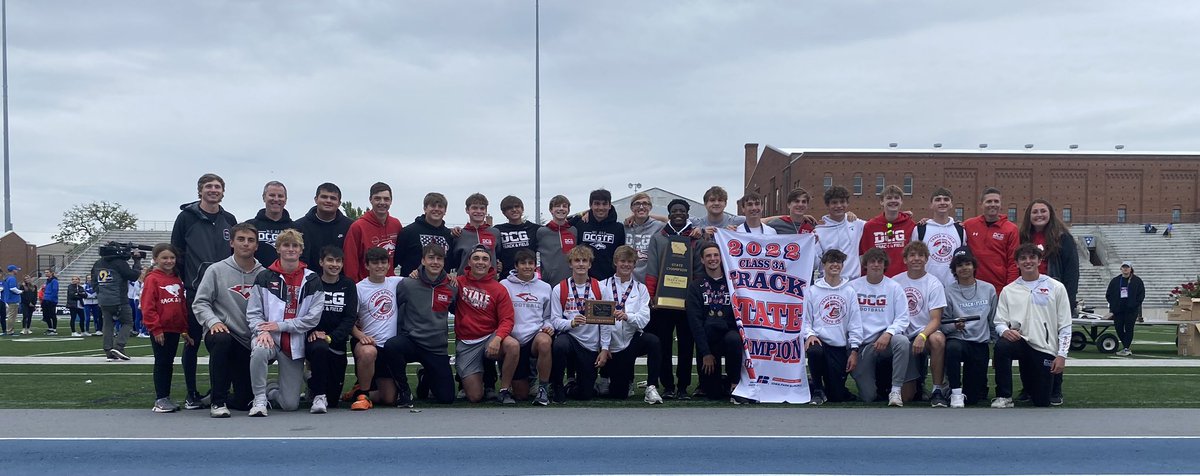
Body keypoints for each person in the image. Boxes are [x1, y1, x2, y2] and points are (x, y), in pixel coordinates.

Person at [172, 173, 238, 410]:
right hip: (195, 291)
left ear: (223, 191)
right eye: (208, 186)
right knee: (192, 342)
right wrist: (190, 279)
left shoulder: (229, 219)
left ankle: (218, 389)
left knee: (224, 341)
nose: (213, 190)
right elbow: (176, 253)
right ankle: (191, 393)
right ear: (199, 190)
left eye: (217, 186)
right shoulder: (186, 218)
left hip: (225, 293)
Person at [244, 229, 323, 416]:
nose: (290, 249)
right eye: (286, 245)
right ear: (278, 248)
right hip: (269, 337)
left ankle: (271, 390)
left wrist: (281, 326)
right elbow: (253, 312)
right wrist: (260, 331)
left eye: (295, 245)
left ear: (301, 250)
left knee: (290, 405)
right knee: (259, 349)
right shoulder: (264, 276)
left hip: (294, 342)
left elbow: (313, 318)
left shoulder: (312, 279)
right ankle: (259, 399)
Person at [193, 222, 263, 417]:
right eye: (241, 239)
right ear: (232, 242)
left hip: (247, 339)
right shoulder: (216, 270)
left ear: (257, 245)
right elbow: (200, 303)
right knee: (222, 339)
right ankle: (218, 401)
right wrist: (213, 321)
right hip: (222, 332)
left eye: (251, 240)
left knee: (244, 403)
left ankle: (235, 396)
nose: (246, 244)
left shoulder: (264, 274)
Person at [991, 243, 1072, 408]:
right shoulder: (1009, 290)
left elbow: (1065, 325)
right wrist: (1005, 331)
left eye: (1032, 257)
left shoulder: (1056, 287)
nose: (1028, 261)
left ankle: (1051, 386)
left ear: (1040, 260)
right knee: (1001, 347)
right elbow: (999, 321)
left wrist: (1062, 355)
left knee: (1041, 402)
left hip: (1044, 347)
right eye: (1023, 258)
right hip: (1020, 342)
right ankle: (1004, 396)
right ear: (1017, 263)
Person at [1019, 198, 1079, 405]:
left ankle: (1055, 388)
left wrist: (1068, 301)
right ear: (1029, 215)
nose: (1039, 215)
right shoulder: (1023, 237)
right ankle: (1028, 387)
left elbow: (1071, 273)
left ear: (1050, 214)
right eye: (1034, 212)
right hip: (1028, 297)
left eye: (1043, 211)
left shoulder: (1063, 239)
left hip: (1052, 297)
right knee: (1028, 344)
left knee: (1052, 345)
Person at [383, 244, 458, 406]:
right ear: (423, 260)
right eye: (431, 258)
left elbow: (457, 310)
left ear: (444, 262)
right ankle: (404, 390)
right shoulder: (408, 284)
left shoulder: (451, 288)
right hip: (412, 341)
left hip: (436, 347)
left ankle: (425, 376)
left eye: (439, 259)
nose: (435, 262)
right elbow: (394, 308)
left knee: (447, 398)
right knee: (391, 346)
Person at [644, 199, 702, 400]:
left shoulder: (696, 237)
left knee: (687, 345)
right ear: (669, 214)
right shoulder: (659, 238)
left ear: (687, 214)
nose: (678, 213)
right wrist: (651, 296)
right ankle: (667, 386)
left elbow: (698, 272)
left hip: (688, 303)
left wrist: (694, 299)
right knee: (663, 344)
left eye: (682, 211)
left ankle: (683, 386)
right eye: (674, 210)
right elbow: (651, 270)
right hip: (663, 302)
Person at [453, 246, 519, 404]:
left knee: (513, 345)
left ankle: (504, 390)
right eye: (476, 258)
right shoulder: (458, 282)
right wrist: (416, 272)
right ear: (469, 261)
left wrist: (498, 338)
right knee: (475, 397)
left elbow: (507, 319)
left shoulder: (499, 289)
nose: (480, 262)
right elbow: (434, 277)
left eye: (484, 259)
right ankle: (483, 378)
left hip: (490, 337)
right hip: (468, 342)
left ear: (491, 264)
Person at [598, 245, 663, 403]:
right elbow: (596, 320)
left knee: (653, 341)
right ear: (615, 262)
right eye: (622, 261)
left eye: (630, 262)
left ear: (635, 264)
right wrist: (604, 346)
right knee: (618, 395)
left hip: (631, 340)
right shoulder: (602, 285)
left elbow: (643, 319)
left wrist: (628, 316)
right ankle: (608, 378)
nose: (626, 265)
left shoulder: (641, 289)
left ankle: (651, 387)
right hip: (611, 344)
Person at [849, 248, 911, 406]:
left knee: (902, 341)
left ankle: (895, 391)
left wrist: (888, 333)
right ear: (865, 264)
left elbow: (903, 318)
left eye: (879, 262)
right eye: (872, 261)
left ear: (885, 265)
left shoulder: (894, 287)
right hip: (863, 346)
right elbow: (847, 319)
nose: (876, 265)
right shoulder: (853, 287)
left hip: (886, 342)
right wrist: (854, 348)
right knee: (868, 397)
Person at [802, 249, 863, 405]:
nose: (835, 265)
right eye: (831, 262)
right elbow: (805, 320)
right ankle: (816, 389)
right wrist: (809, 335)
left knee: (836, 397)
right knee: (814, 349)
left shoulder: (849, 291)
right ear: (824, 265)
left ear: (842, 266)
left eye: (838, 262)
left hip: (839, 346)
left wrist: (854, 349)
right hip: (820, 342)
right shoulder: (812, 291)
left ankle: (816, 386)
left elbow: (855, 322)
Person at [891, 241, 948, 406]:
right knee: (907, 397)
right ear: (905, 260)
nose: (917, 259)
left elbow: (936, 319)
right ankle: (915, 384)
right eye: (912, 255)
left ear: (926, 259)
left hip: (925, 335)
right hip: (903, 338)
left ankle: (937, 389)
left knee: (938, 339)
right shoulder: (896, 282)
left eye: (921, 255)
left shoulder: (934, 283)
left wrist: (922, 335)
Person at [940, 246, 997, 408]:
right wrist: (955, 327)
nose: (964, 268)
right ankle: (955, 393)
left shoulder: (988, 289)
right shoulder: (948, 291)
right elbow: (943, 325)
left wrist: (995, 345)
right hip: (958, 339)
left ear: (974, 266)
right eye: (959, 265)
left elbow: (993, 320)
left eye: (967, 264)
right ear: (954, 270)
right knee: (953, 348)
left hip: (979, 343)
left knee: (973, 398)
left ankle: (968, 391)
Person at [348, 247, 404, 411]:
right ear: (367, 265)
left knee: (388, 399)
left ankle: (357, 391)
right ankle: (363, 395)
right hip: (369, 344)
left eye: (383, 262)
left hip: (389, 348)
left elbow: (423, 278)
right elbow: (348, 320)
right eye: (375, 263)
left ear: (388, 265)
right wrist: (360, 335)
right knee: (368, 352)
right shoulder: (359, 288)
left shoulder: (396, 282)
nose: (379, 266)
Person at [687, 242, 743, 402]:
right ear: (703, 260)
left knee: (733, 339)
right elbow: (695, 322)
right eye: (709, 256)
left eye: (716, 255)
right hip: (708, 340)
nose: (713, 259)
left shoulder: (733, 284)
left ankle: (734, 382)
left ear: (721, 257)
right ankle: (718, 383)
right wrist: (705, 353)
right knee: (712, 393)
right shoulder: (695, 286)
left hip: (729, 336)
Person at [305, 246, 358, 412]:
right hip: (314, 339)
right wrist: (311, 331)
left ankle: (311, 381)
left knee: (334, 400)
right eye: (330, 260)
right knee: (320, 347)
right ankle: (318, 396)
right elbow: (303, 311)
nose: (334, 264)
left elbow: (349, 318)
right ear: (321, 262)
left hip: (337, 343)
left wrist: (332, 337)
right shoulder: (312, 283)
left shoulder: (348, 285)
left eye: (338, 261)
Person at [499, 248, 554, 405]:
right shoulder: (504, 284)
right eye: (523, 263)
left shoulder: (545, 287)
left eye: (531, 263)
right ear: (516, 266)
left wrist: (548, 326)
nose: (527, 266)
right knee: (521, 395)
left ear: (535, 266)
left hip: (534, 337)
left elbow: (548, 316)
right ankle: (504, 390)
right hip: (512, 337)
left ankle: (543, 389)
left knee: (545, 341)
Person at [548, 246, 603, 403]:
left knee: (585, 394)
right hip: (570, 338)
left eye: (584, 261)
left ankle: (571, 387)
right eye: (576, 261)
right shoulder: (560, 288)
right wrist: (571, 323)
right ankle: (557, 385)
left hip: (590, 344)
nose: (580, 264)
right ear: (570, 264)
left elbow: (606, 323)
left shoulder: (600, 287)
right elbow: (555, 320)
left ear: (590, 265)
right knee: (559, 345)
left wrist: (604, 348)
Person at [141, 243, 190, 413]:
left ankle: (165, 397)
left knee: (169, 363)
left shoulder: (177, 279)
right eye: (164, 258)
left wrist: (184, 328)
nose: (169, 261)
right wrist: (155, 328)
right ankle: (160, 398)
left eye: (172, 258)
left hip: (174, 329)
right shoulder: (152, 279)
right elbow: (148, 306)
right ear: (155, 259)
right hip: (161, 329)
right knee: (162, 362)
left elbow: (181, 305)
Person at [343, 182, 403, 282]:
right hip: (366, 287)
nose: (382, 202)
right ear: (370, 200)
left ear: (391, 201)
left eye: (386, 199)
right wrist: (353, 287)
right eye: (377, 198)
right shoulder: (358, 227)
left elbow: (401, 255)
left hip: (389, 286)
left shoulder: (396, 224)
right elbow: (350, 262)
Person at [963, 187, 1018, 294]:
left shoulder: (1011, 229)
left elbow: (1013, 263)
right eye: (989, 201)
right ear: (981, 204)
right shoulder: (969, 225)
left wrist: (1010, 289)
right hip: (973, 287)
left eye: (996, 201)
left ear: (1001, 204)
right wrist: (927, 222)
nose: (993, 204)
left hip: (999, 288)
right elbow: (949, 229)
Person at [92, 246, 143, 359]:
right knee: (128, 322)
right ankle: (119, 346)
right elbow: (133, 276)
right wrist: (137, 262)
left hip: (104, 299)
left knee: (108, 324)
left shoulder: (97, 263)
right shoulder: (119, 263)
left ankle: (108, 349)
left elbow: (93, 282)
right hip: (119, 298)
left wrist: (100, 294)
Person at [293, 183, 353, 269]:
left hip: (340, 280)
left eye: (333, 198)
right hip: (308, 280)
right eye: (324, 197)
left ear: (339, 203)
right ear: (316, 199)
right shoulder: (298, 226)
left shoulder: (350, 226)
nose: (328, 201)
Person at [859, 185, 915, 277]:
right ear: (882, 201)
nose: (893, 200)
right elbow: (864, 256)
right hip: (878, 280)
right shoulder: (870, 226)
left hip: (903, 279)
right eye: (889, 198)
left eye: (896, 198)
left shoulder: (910, 225)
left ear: (901, 201)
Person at [915, 187, 965, 287]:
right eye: (938, 200)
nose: (942, 202)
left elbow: (963, 258)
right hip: (926, 286)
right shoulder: (920, 229)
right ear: (931, 205)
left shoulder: (960, 230)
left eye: (946, 199)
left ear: (951, 204)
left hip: (954, 287)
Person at [572, 189, 626, 280]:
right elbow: (564, 224)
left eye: (604, 204)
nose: (601, 208)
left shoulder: (618, 228)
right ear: (590, 206)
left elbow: (620, 256)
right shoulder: (580, 225)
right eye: (597, 204)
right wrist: (581, 215)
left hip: (609, 281)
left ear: (610, 206)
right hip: (583, 280)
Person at [396, 192, 454, 277]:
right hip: (412, 285)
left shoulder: (449, 235)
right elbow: (398, 259)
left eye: (440, 206)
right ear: (425, 208)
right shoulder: (408, 232)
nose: (437, 209)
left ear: (445, 211)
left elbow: (451, 262)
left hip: (440, 286)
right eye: (433, 206)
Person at [816, 186, 866, 280]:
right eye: (834, 202)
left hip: (853, 283)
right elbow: (814, 263)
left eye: (842, 202)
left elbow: (878, 224)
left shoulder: (856, 223)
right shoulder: (819, 231)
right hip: (829, 284)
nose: (839, 206)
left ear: (847, 203)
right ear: (827, 205)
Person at [450, 193, 500, 274]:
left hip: (489, 283)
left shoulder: (495, 233)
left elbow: (498, 257)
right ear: (467, 210)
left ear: (486, 211)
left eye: (482, 208)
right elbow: (454, 261)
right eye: (474, 208)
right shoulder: (458, 235)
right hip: (464, 283)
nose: (478, 211)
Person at [623, 192, 666, 283]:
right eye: (637, 204)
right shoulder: (625, 227)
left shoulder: (658, 226)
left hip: (648, 280)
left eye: (645, 204)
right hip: (627, 280)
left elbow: (674, 221)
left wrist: (643, 214)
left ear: (650, 208)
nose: (641, 207)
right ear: (631, 208)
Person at [249, 181, 294, 266]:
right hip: (255, 276)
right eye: (272, 195)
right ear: (264, 197)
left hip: (287, 277)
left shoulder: (296, 228)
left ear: (286, 200)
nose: (276, 199)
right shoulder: (250, 227)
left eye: (280, 196)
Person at [495, 195, 542, 278]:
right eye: (509, 208)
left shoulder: (535, 229)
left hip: (529, 278)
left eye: (517, 207)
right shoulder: (498, 230)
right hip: (507, 279)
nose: (514, 210)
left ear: (522, 209)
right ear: (504, 212)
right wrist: (496, 264)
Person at [536, 195, 577, 287]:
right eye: (557, 206)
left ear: (568, 210)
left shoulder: (574, 230)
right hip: (548, 283)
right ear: (551, 210)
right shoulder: (541, 232)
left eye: (564, 206)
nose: (561, 209)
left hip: (571, 283)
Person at [1107, 261, 1145, 357]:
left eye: (1127, 267)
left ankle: (1126, 348)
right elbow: (1108, 294)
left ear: (1130, 268)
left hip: (1131, 310)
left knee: (1129, 329)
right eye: (1123, 267)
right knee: (1118, 328)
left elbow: (1141, 295)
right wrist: (1114, 304)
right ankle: (1126, 346)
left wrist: (1134, 304)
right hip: (1118, 310)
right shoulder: (1115, 281)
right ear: (1121, 269)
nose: (1125, 269)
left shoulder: (1137, 281)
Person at [40, 269, 60, 335]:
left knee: (52, 314)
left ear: (51, 273)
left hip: (51, 300)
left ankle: (54, 329)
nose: (46, 273)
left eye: (47, 272)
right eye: (45, 272)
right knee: (46, 315)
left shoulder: (54, 281)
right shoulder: (48, 281)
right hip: (46, 299)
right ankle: (50, 328)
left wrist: (52, 299)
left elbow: (55, 290)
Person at [3, 265, 20, 335]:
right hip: (13, 299)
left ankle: (9, 330)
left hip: (8, 298)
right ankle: (10, 331)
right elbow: (13, 288)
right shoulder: (12, 278)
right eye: (16, 270)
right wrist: (21, 291)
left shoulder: (7, 278)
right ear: (13, 270)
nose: (17, 271)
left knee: (11, 315)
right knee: (12, 316)